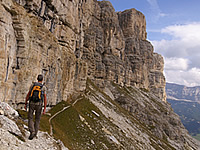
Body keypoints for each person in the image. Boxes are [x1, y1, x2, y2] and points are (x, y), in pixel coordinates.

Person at [24, 74, 47, 140]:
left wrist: (26, 103)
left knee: (30, 117)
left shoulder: (33, 85)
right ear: (42, 80)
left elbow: (28, 95)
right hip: (39, 104)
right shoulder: (43, 87)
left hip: (31, 103)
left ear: (37, 79)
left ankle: (32, 131)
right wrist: (44, 108)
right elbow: (45, 98)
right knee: (37, 119)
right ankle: (35, 133)